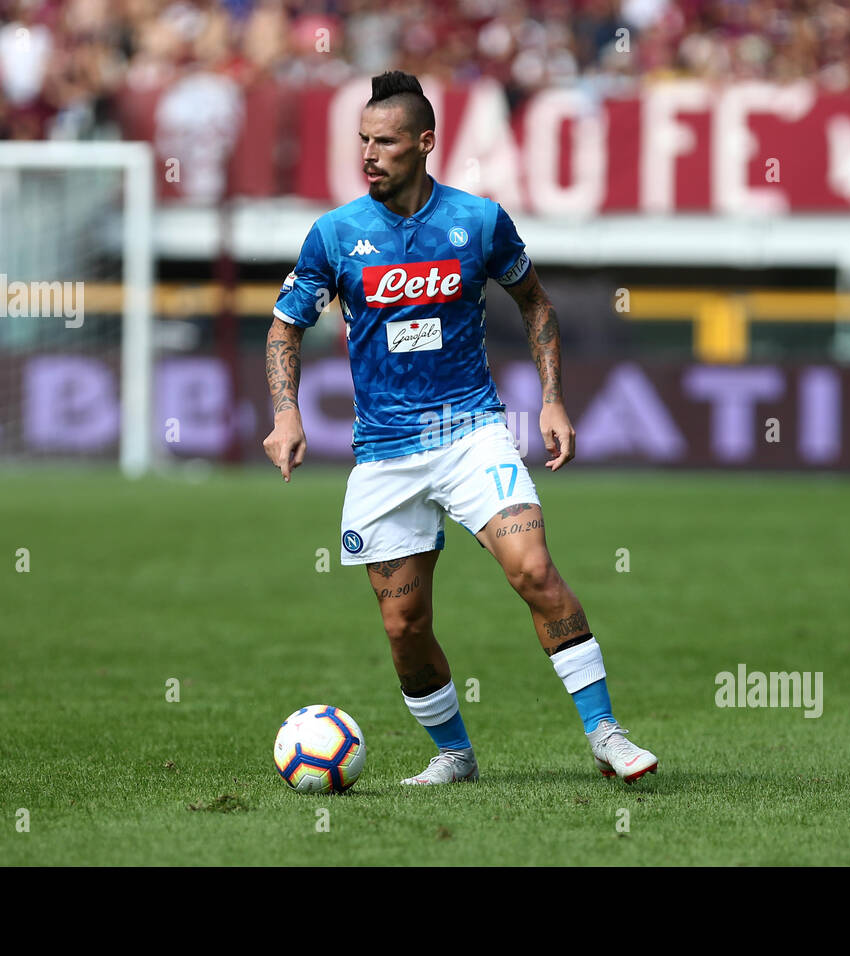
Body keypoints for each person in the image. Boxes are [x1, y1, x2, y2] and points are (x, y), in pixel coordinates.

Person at [264, 71, 658, 785]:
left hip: (471, 431)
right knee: (404, 628)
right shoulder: (336, 234)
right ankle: (455, 753)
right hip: (385, 453)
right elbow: (285, 326)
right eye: (363, 141)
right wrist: (286, 411)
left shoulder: (479, 221)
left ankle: (606, 734)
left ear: (425, 143)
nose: (369, 155)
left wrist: (553, 399)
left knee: (534, 570)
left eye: (384, 142)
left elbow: (535, 305)